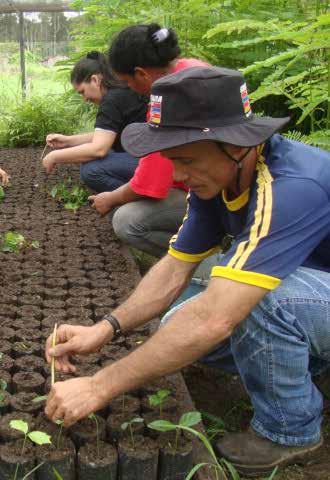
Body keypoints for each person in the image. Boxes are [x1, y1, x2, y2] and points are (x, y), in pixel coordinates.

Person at [43, 66, 330, 476]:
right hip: (312, 288)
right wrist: (105, 329)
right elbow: (174, 269)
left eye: (185, 160)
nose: (177, 176)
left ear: (236, 145)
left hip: (315, 291)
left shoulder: (292, 186)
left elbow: (216, 317)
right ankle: (308, 362)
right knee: (177, 322)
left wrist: (98, 386)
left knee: (249, 304)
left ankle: (291, 429)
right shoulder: (215, 180)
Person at [89, 24, 208, 257]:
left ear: (142, 73)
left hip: (211, 193)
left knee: (125, 219)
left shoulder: (168, 97)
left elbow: (151, 181)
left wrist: (110, 198)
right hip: (221, 183)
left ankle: (201, 259)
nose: (130, 88)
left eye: (128, 81)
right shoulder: (193, 68)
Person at [41, 51, 147, 193]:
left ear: (95, 80)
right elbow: (107, 135)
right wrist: (68, 141)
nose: (84, 99)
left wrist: (55, 156)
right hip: (151, 155)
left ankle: (137, 196)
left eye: (82, 91)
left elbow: (99, 149)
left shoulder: (111, 100)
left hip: (152, 162)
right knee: (98, 157)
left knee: (92, 170)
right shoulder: (122, 90)